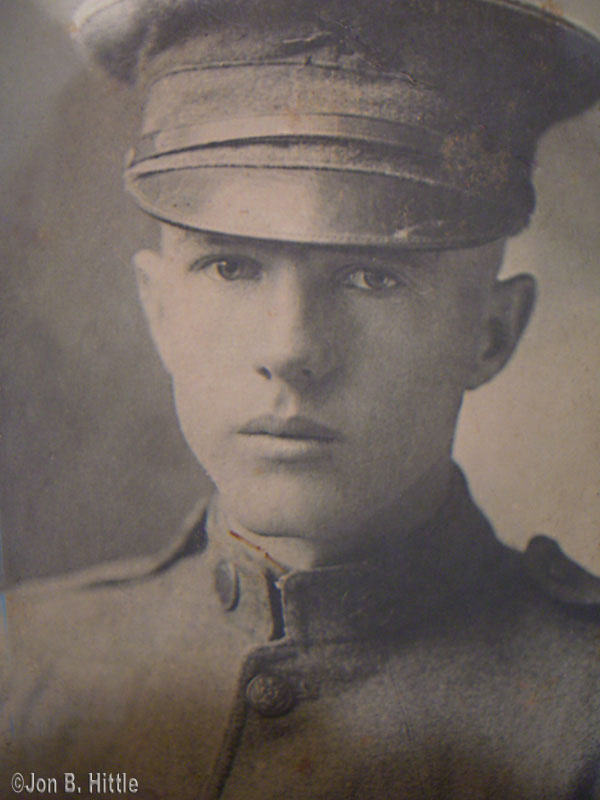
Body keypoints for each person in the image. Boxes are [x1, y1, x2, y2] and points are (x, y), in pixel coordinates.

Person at [1, 0, 600, 797]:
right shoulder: (24, 664)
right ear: (159, 310)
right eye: (231, 267)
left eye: (372, 277)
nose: (291, 351)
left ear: (491, 334)